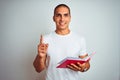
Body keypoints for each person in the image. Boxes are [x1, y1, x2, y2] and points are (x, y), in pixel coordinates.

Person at [33, 4, 90, 80]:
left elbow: (87, 64)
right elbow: (38, 69)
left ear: (70, 18)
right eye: (58, 15)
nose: (62, 19)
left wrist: (84, 67)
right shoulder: (45, 39)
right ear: (54, 18)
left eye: (65, 15)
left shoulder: (80, 39)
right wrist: (40, 57)